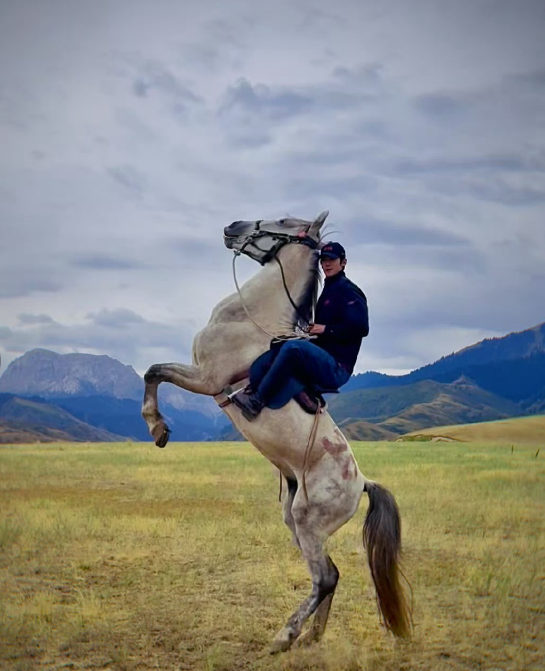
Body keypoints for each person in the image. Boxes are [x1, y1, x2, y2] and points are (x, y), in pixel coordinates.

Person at [232, 241, 369, 421]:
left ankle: (256, 402)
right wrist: (312, 331)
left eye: (332, 260)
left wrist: (325, 329)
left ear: (343, 263)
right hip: (324, 356)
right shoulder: (331, 288)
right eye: (324, 260)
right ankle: (266, 385)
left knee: (294, 348)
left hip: (337, 368)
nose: (327, 264)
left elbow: (360, 328)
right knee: (279, 342)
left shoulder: (349, 291)